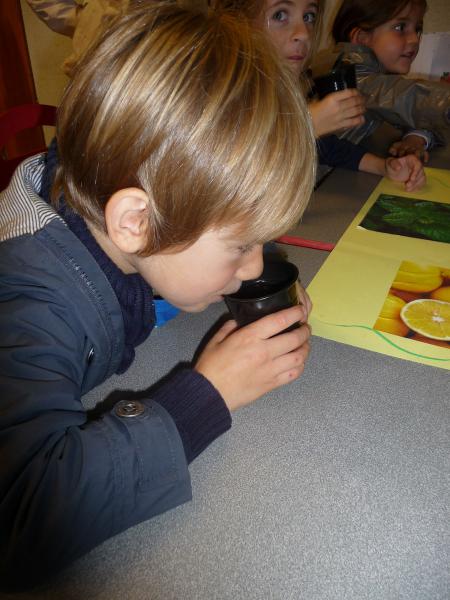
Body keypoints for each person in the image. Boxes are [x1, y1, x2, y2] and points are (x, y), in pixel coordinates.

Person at [0, 2, 316, 590]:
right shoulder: (28, 302)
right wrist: (208, 395)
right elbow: (21, 518)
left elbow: (130, 296)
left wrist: (224, 294)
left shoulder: (108, 222)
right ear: (136, 222)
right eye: (240, 245)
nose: (254, 267)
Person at [214, 0, 426, 191]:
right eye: (280, 15)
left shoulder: (284, 89)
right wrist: (307, 125)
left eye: (309, 16)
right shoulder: (223, 96)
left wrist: (383, 167)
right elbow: (231, 172)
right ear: (238, 22)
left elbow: (325, 148)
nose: (304, 33)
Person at [331, 0, 450, 161]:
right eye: (400, 27)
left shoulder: (376, 80)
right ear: (362, 38)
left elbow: (404, 113)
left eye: (417, 29)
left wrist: (415, 137)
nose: (415, 39)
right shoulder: (350, 80)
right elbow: (405, 98)